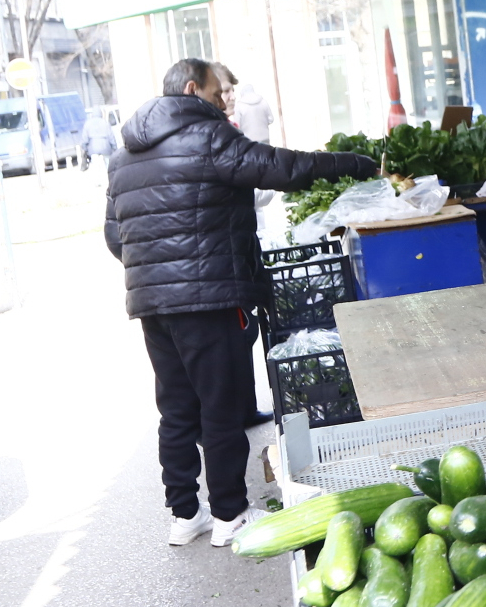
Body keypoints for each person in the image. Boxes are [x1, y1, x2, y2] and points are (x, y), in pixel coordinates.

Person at [105, 58, 376, 546]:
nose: (224, 102)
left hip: (153, 304)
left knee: (176, 407)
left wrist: (157, 269)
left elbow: (114, 234)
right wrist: (352, 163)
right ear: (192, 89)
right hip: (210, 298)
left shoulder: (124, 156)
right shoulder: (207, 138)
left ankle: (185, 515)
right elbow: (281, 168)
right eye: (217, 94)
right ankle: (230, 513)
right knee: (221, 405)